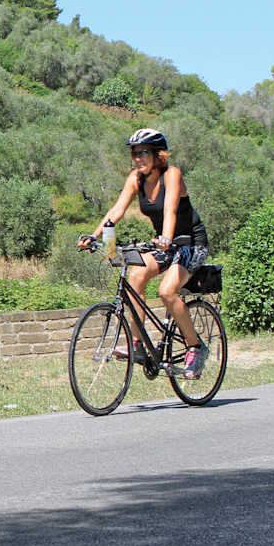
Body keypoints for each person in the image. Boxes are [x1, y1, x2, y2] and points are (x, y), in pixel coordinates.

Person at [78, 129, 211, 379]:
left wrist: (166, 238)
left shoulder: (172, 174)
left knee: (167, 291)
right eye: (134, 153)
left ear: (158, 155)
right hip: (164, 243)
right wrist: (94, 236)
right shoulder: (136, 179)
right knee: (135, 277)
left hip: (190, 243)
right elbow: (116, 210)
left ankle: (196, 347)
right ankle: (137, 345)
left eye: (143, 153)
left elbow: (170, 210)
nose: (138, 158)